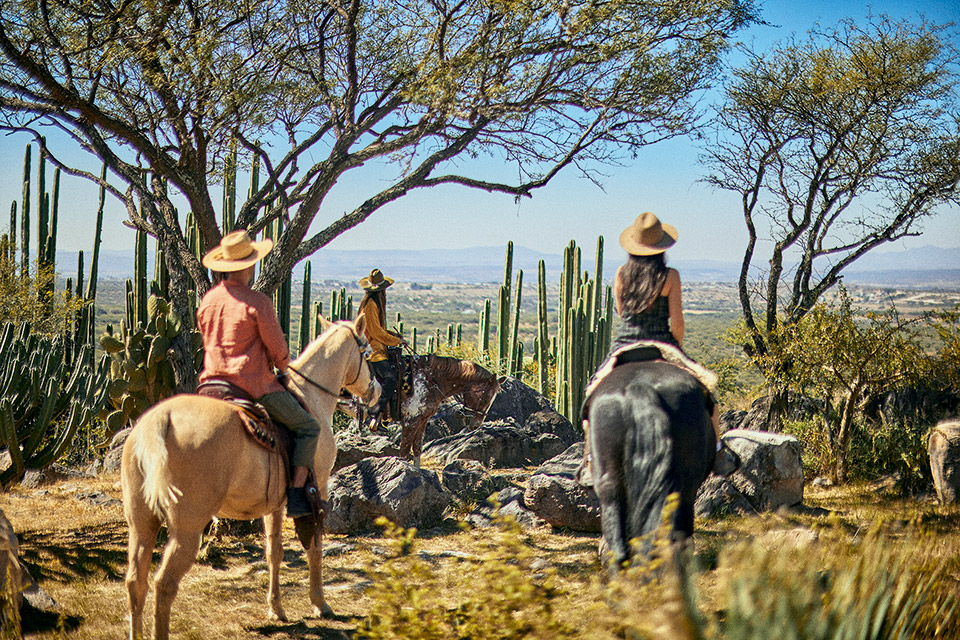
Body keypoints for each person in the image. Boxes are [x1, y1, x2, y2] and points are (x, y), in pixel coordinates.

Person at [197, 229, 317, 519]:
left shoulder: (208, 300)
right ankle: (298, 496)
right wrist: (284, 366)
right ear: (250, 265)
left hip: (210, 385)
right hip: (252, 386)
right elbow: (279, 352)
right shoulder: (258, 302)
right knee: (308, 427)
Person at [601, 212, 728, 467]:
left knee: (593, 394)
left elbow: (622, 312)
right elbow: (677, 324)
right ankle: (717, 452)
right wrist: (676, 348)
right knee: (708, 394)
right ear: (661, 248)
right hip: (662, 345)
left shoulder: (620, 275)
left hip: (624, 345)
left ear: (633, 245)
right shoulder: (670, 276)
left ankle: (592, 459)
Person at [356, 268, 404, 430]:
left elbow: (380, 329)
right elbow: (376, 332)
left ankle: (384, 416)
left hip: (378, 348)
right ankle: (375, 413)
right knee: (390, 379)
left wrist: (395, 337)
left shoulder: (373, 304)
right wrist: (395, 341)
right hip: (373, 351)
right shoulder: (371, 305)